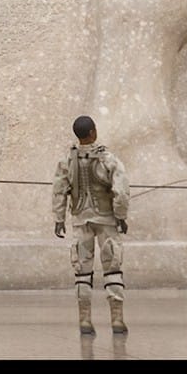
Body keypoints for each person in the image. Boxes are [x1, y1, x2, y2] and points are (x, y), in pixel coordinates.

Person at [51, 114, 129, 335]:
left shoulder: (67, 160)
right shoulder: (108, 159)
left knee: (82, 274)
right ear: (93, 132)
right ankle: (117, 320)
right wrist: (121, 216)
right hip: (106, 221)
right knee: (113, 270)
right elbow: (121, 191)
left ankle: (85, 321)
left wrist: (58, 219)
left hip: (80, 221)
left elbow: (59, 191)